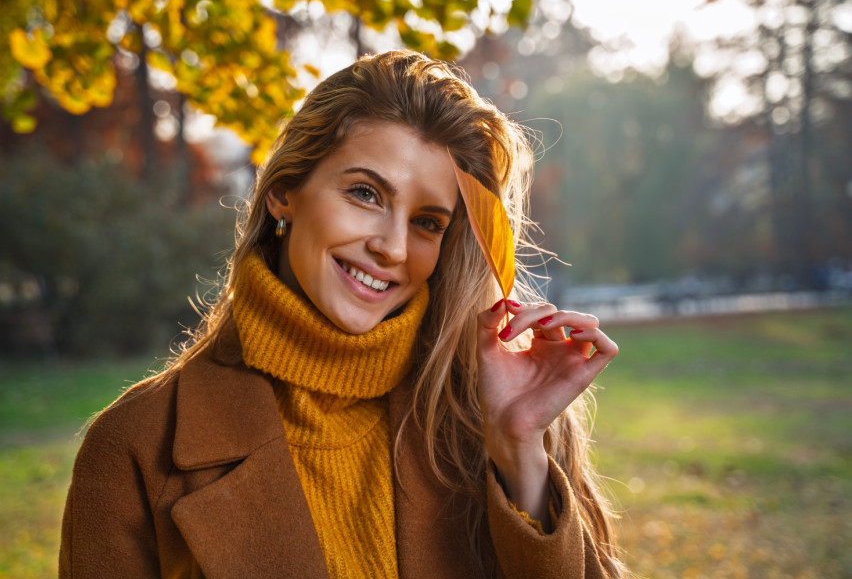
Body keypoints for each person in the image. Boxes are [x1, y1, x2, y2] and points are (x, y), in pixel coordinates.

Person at [59, 50, 627, 578]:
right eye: (365, 194)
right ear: (284, 191)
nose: (394, 249)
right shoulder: (134, 447)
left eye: (428, 222)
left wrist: (519, 451)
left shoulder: (482, 415)